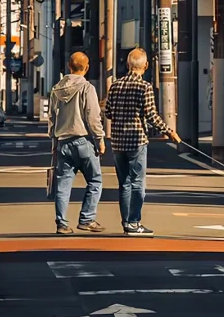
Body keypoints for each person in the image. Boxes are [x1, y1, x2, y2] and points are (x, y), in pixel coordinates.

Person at [104, 47, 180, 236]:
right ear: (145, 66)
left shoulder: (115, 85)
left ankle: (126, 222)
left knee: (124, 183)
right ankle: (134, 222)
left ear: (128, 65)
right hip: (137, 140)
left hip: (118, 141)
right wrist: (169, 131)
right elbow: (151, 115)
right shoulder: (144, 87)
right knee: (138, 183)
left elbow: (108, 113)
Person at [48, 51, 106, 236]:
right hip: (83, 141)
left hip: (63, 142)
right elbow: (93, 117)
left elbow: (52, 118)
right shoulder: (87, 88)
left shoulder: (57, 89)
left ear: (68, 66)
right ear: (86, 68)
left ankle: (62, 223)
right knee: (95, 180)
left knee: (63, 185)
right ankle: (87, 219)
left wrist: (54, 140)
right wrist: (100, 140)